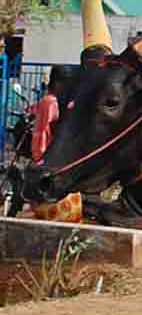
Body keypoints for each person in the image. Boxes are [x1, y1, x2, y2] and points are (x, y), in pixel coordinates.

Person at [30, 65, 82, 223]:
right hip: (54, 167)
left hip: (52, 165)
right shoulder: (52, 102)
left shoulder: (51, 101)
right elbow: (47, 133)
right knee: (61, 226)